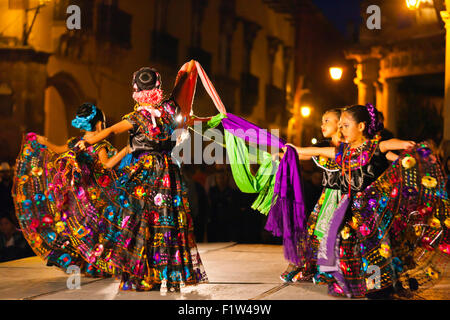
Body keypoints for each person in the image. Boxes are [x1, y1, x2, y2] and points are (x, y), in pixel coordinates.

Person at [75, 62, 208, 292]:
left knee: (138, 218)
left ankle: (143, 273)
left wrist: (87, 141)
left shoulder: (136, 117)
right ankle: (166, 273)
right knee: (167, 219)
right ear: (158, 87)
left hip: (145, 170)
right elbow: (184, 108)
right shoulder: (170, 110)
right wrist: (188, 74)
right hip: (167, 172)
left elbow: (110, 131)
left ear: (137, 91)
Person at [285, 104, 441, 298]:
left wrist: (409, 146)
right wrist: (295, 149)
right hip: (350, 212)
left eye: (345, 125)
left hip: (374, 213)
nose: (341, 130)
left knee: (377, 251)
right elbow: (320, 151)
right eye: (340, 126)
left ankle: (381, 287)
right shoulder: (343, 152)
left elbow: (391, 144)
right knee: (348, 248)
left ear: (361, 126)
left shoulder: (375, 147)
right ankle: (359, 284)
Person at [12, 103, 129, 277]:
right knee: (100, 234)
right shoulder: (100, 145)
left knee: (77, 231)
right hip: (98, 199)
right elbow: (106, 165)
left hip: (78, 198)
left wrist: (43, 141)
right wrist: (126, 150)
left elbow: (58, 151)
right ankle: (97, 265)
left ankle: (64, 256)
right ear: (99, 124)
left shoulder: (74, 143)